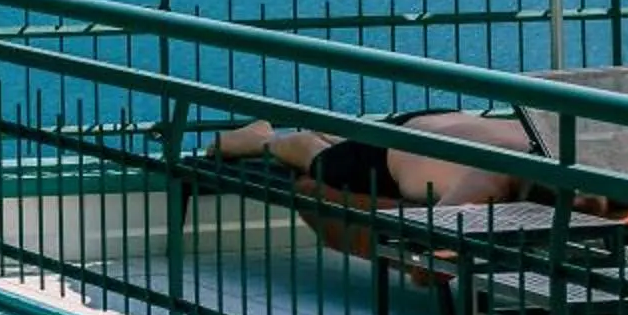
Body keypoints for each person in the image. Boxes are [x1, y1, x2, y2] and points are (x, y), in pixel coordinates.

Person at [215, 110, 528, 207]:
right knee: (314, 155)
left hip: (436, 123)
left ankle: (334, 133)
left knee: (350, 145)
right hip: (387, 160)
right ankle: (261, 138)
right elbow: (437, 239)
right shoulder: (494, 175)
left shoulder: (546, 140)